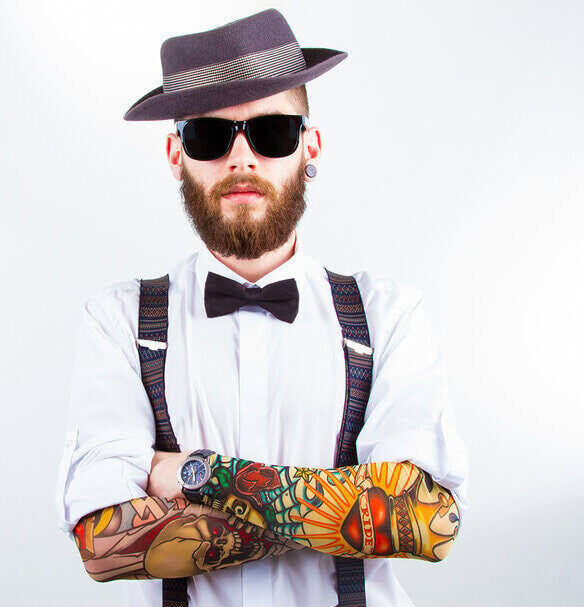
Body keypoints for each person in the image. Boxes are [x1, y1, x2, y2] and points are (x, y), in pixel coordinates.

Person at [55, 8, 469, 607]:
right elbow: (104, 544)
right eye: (210, 135)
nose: (242, 160)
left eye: (272, 131)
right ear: (176, 153)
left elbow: (424, 522)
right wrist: (344, 510)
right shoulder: (119, 322)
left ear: (310, 144)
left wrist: (195, 475)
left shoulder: (390, 316)